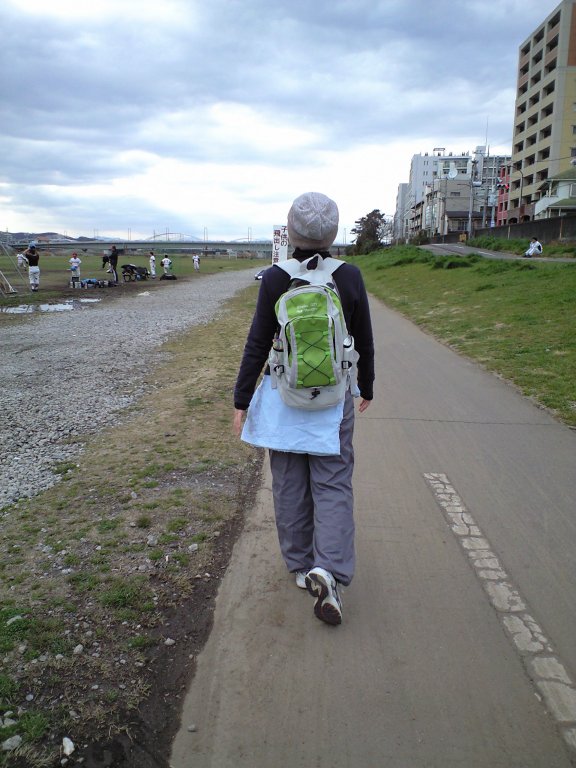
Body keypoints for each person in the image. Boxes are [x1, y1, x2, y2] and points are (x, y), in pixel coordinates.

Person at [233, 192, 374, 626]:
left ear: (291, 230)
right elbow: (364, 337)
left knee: (289, 483)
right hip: (333, 399)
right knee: (333, 483)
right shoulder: (349, 276)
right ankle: (328, 568)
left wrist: (242, 399)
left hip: (284, 398)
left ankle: (300, 566)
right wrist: (366, 385)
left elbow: (258, 341)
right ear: (333, 233)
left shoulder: (276, 277)